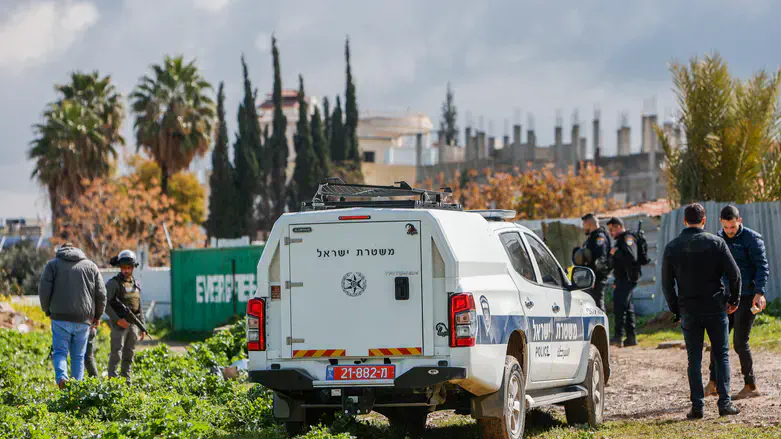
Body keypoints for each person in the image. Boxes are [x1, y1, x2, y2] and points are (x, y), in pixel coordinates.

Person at [662, 203, 741, 419]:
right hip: (716, 307)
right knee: (721, 355)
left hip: (690, 310)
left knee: (693, 359)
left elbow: (667, 284)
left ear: (685, 221)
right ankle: (724, 403)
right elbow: (735, 275)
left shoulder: (672, 247)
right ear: (704, 221)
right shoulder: (717, 243)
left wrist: (676, 310)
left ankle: (697, 407)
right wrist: (734, 300)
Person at [705, 205, 769, 400]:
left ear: (739, 221)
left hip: (748, 297)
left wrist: (759, 293)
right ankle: (713, 383)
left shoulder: (752, 239)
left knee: (740, 343)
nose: (729, 231)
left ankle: (750, 385)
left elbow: (761, 267)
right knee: (717, 340)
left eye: (732, 227)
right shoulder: (719, 239)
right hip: (725, 297)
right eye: (726, 228)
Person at [39, 241, 107, 389]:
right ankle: (76, 389)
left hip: (60, 317)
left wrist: (47, 310)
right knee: (78, 356)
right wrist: (98, 316)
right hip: (84, 319)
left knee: (60, 352)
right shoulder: (91, 266)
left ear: (61, 251)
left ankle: (62, 378)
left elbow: (44, 290)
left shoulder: (53, 265)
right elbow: (101, 294)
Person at [105, 250, 146, 380]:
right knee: (116, 354)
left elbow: (139, 306)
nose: (126, 271)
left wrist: (142, 326)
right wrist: (117, 320)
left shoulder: (136, 284)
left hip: (133, 324)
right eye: (123, 268)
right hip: (119, 325)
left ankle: (126, 382)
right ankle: (113, 382)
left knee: (129, 354)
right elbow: (104, 304)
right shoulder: (113, 283)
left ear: (133, 268)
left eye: (129, 268)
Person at [606, 217, 639, 347]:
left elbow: (632, 257)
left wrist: (616, 253)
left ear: (618, 226)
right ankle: (631, 338)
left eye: (612, 229)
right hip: (621, 278)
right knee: (628, 307)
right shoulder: (620, 240)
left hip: (628, 278)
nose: (610, 233)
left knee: (619, 306)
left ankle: (618, 337)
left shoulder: (628, 238)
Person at [572, 213, 612, 311]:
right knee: (590, 304)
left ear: (588, 223)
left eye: (583, 224)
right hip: (590, 277)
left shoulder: (599, 237)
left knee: (597, 303)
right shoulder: (592, 238)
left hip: (597, 278)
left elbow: (600, 261)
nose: (583, 227)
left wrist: (593, 278)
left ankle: (602, 325)